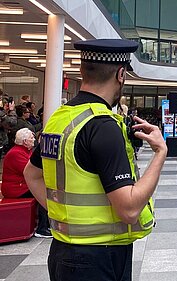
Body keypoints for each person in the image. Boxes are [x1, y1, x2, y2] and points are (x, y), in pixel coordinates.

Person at [23, 39, 167, 281]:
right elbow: (129, 209)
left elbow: (31, 173)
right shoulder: (102, 125)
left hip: (62, 253)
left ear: (82, 70)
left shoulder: (60, 118)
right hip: (99, 258)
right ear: (121, 74)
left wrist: (67, 216)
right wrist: (160, 153)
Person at [1, 128, 51, 237]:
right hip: (16, 189)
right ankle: (42, 228)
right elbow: (30, 172)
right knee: (42, 192)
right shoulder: (16, 153)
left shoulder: (23, 151)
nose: (34, 140)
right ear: (25, 142)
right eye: (31, 138)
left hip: (21, 186)